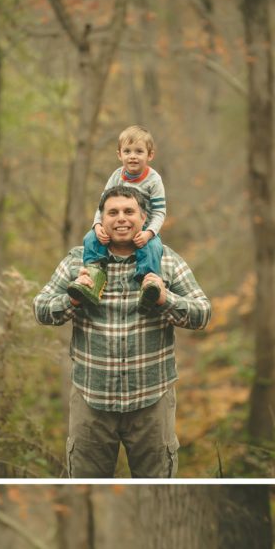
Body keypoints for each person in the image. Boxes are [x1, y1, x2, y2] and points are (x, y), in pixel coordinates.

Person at [34, 184, 212, 478]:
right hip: (92, 401)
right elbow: (40, 309)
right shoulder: (79, 261)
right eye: (112, 212)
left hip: (151, 402)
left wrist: (166, 299)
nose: (121, 218)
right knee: (85, 485)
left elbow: (202, 314)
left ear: (144, 219)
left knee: (156, 485)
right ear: (100, 220)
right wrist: (73, 299)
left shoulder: (166, 260)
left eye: (129, 211)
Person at [67, 125, 168, 314]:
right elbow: (102, 205)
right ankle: (94, 277)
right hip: (113, 229)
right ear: (119, 154)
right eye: (127, 151)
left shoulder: (154, 180)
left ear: (150, 155)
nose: (133, 156)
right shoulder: (116, 176)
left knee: (153, 248)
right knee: (90, 239)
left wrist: (148, 233)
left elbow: (160, 212)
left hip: (145, 229)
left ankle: (148, 285)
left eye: (139, 151)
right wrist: (97, 225)